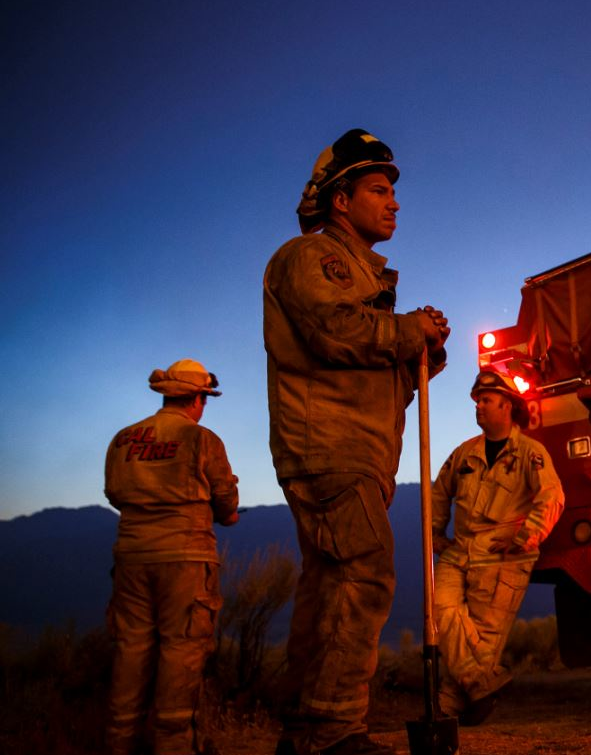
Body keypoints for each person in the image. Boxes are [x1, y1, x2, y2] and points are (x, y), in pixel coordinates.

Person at [264, 129, 450, 755]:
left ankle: (306, 728)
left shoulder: (367, 278)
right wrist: (405, 331)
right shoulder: (312, 257)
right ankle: (333, 729)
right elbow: (332, 330)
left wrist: (424, 350)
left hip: (358, 451)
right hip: (330, 447)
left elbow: (374, 368)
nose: (394, 202)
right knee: (364, 570)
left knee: (330, 585)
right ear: (340, 200)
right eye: (378, 189)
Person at [104, 359, 239, 755]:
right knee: (182, 654)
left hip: (131, 558)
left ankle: (119, 745)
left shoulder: (123, 439)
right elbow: (226, 502)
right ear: (198, 398)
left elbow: (114, 494)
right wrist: (226, 514)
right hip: (186, 561)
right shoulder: (202, 440)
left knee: (130, 652)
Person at [431, 368, 564, 725]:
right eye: (477, 401)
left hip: (503, 556)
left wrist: (525, 536)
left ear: (506, 405)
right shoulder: (464, 455)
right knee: (441, 612)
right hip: (459, 550)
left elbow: (552, 496)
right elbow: (439, 493)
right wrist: (435, 533)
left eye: (486, 401)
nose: (479, 407)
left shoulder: (529, 454)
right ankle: (480, 685)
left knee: (484, 636)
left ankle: (447, 709)